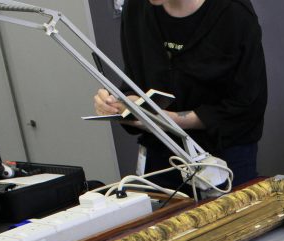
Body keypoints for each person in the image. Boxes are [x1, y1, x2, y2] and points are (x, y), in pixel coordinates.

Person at [93, 0, 267, 190]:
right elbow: (134, 81)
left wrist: (173, 120)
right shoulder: (136, 8)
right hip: (161, 159)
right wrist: (123, 103)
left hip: (224, 158)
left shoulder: (232, 12)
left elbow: (247, 106)